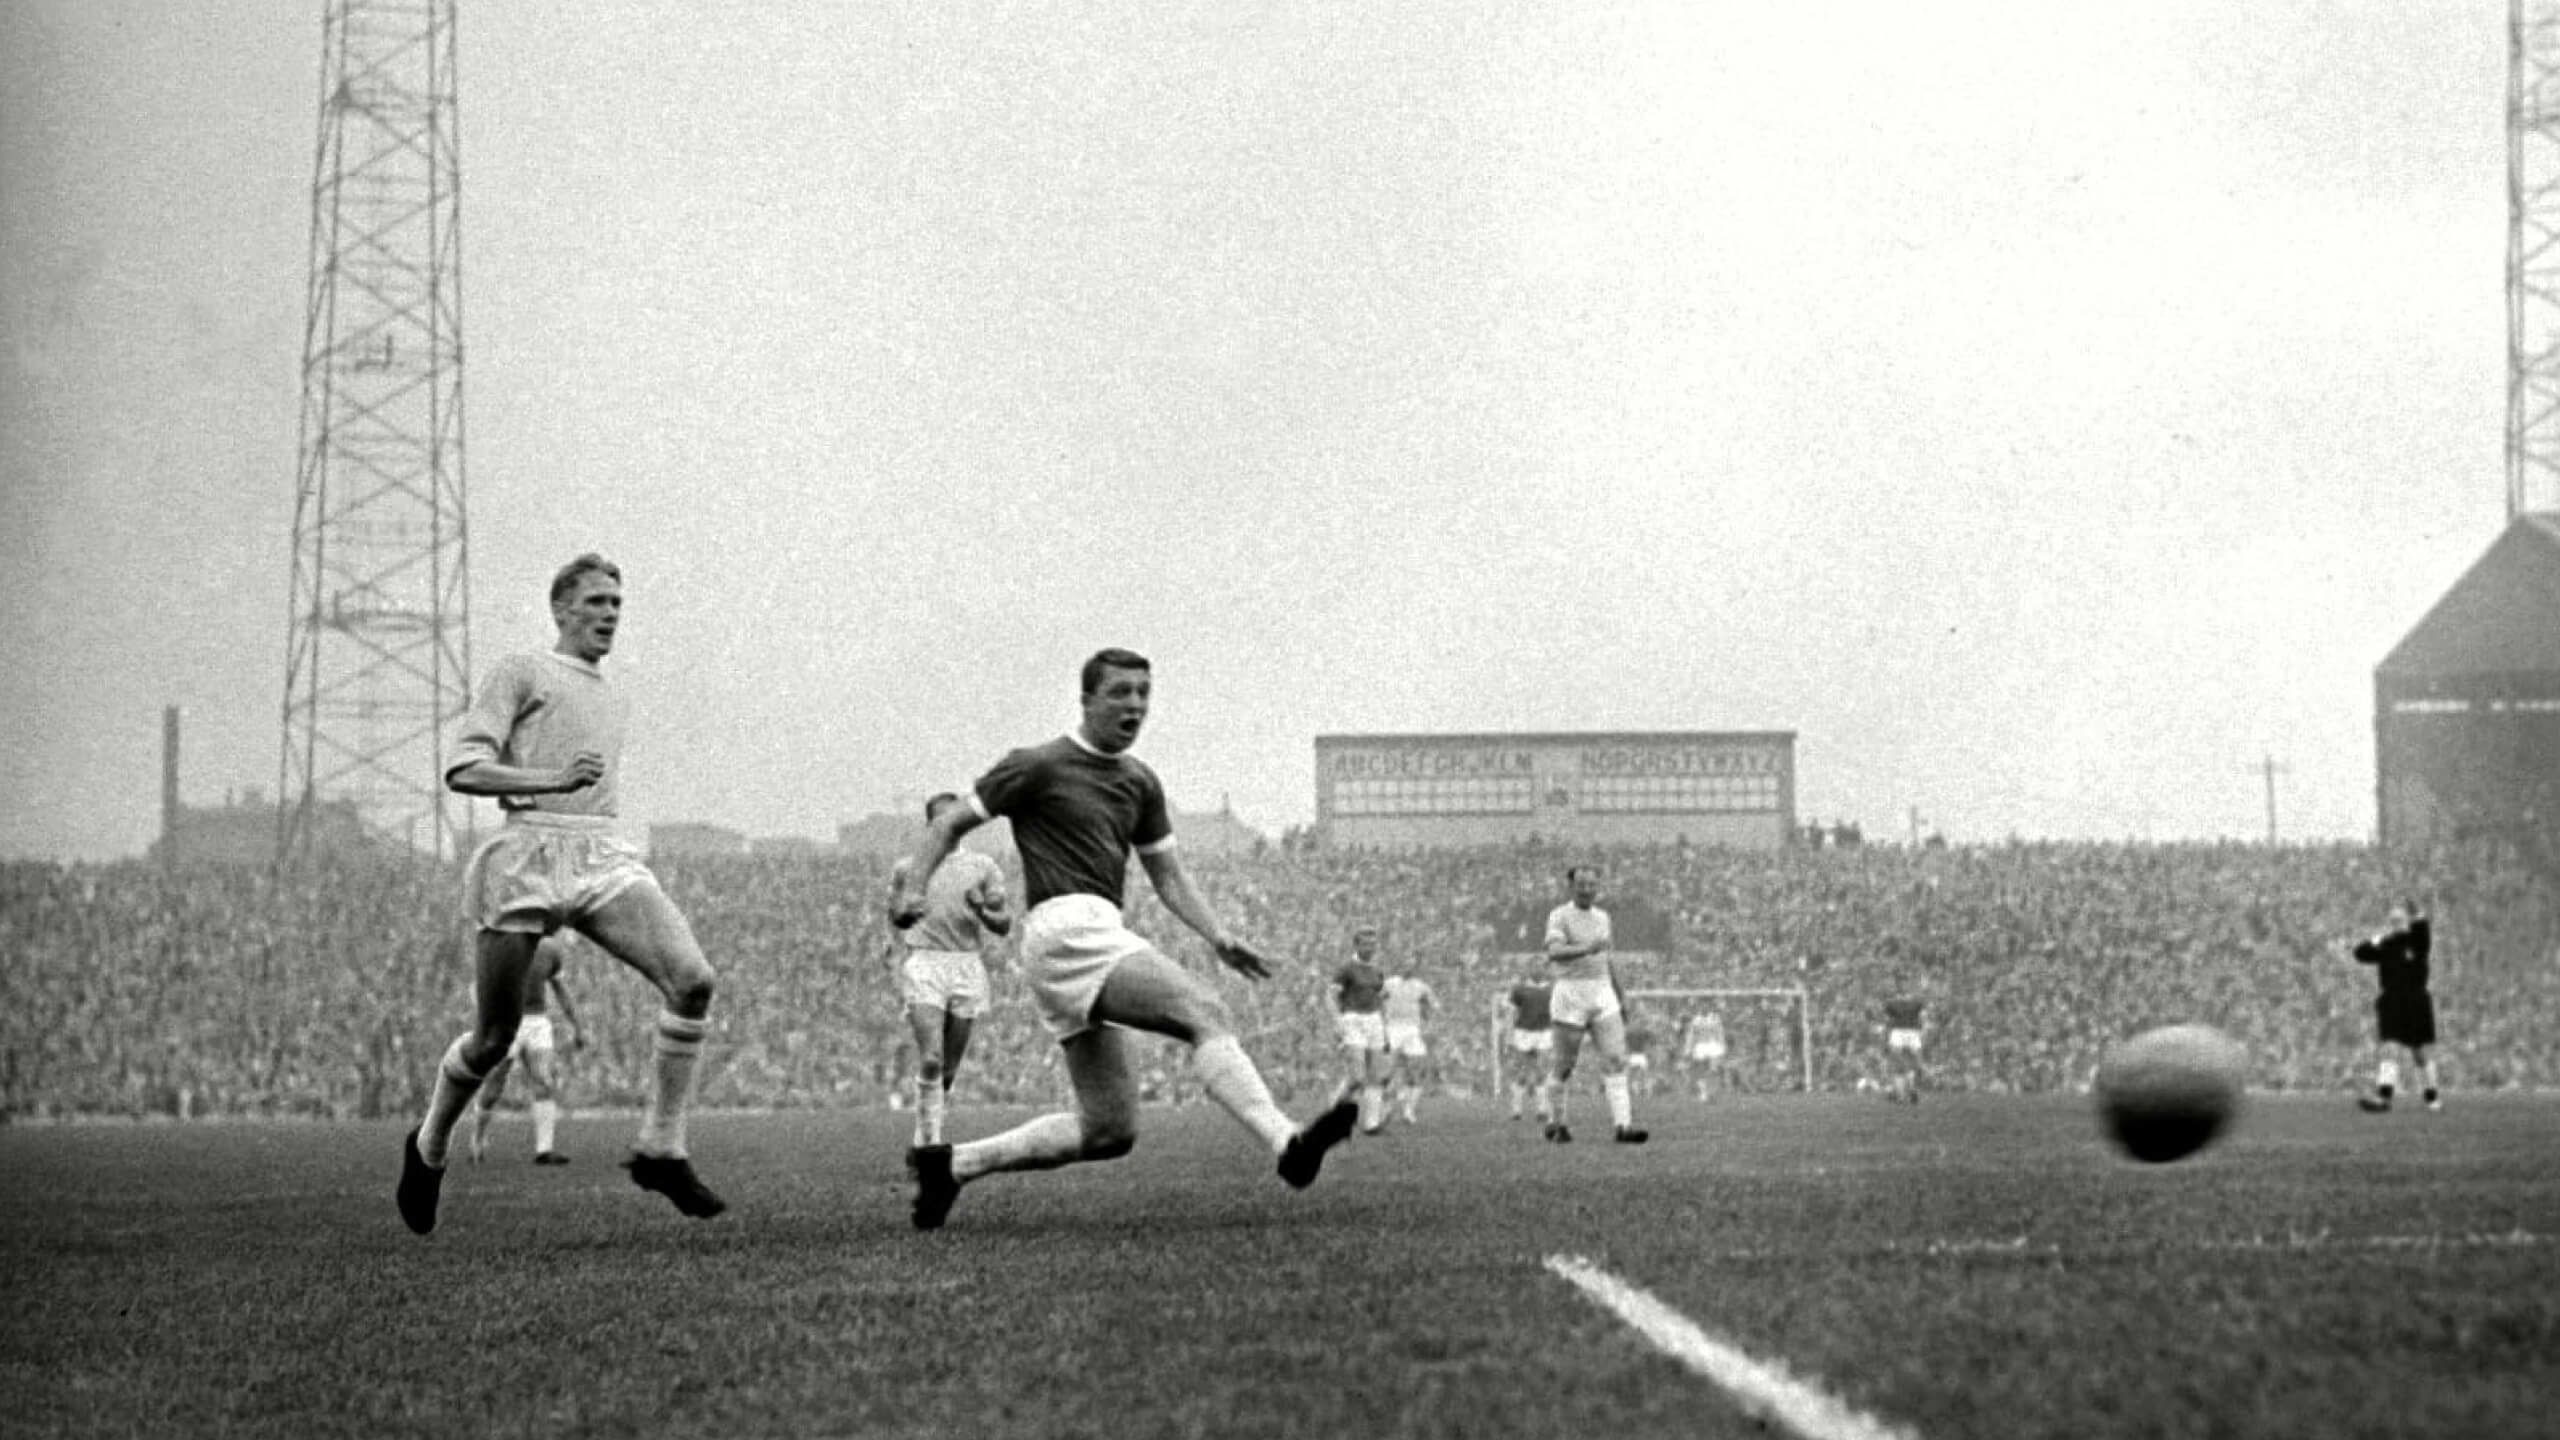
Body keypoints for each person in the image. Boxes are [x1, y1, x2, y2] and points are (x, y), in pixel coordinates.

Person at [888, 649, 1359, 1230]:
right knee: (1202, 1009)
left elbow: (1167, 874)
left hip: (1087, 933)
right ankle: (1287, 1144)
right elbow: (950, 822)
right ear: (1087, 700)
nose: (1135, 704)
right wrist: (913, 887)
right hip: (1066, 926)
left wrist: (1218, 935)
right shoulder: (1038, 765)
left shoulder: (1140, 782)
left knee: (1109, 1130)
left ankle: (949, 1166)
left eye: (1143, 693)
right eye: (1120, 692)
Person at [397, 553, 726, 1235]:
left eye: (617, 603)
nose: (610, 613)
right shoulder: (523, 671)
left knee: (693, 981)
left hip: (600, 851)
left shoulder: (613, 692)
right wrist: (548, 780)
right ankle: (428, 1148)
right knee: (494, 1038)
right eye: (597, 601)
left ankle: (662, 1147)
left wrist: (575, 797)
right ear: (561, 608)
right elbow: (462, 768)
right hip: (526, 852)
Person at [886, 793, 1013, 1151]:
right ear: (931, 826)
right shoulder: (909, 869)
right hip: (926, 961)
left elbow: (1004, 924)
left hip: (966, 964)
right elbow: (896, 914)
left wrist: (983, 911)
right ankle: (929, 1145)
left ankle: (924, 1133)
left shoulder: (982, 867)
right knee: (931, 1056)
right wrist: (905, 915)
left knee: (947, 1071)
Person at [1541, 865, 1648, 1145]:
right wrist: (1586, 949)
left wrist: (1621, 994)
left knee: (1616, 1058)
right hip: (1571, 994)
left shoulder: (1603, 917)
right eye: (1581, 884)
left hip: (1601, 991)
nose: (1587, 889)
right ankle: (1557, 1122)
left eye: (1592, 885)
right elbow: (1554, 952)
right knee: (1564, 1065)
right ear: (1571, 887)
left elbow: (1607, 958)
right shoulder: (1559, 915)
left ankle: (1623, 1127)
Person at [464, 932, 587, 1164]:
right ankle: (478, 1140)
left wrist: (577, 1026)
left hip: (537, 1023)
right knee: (495, 1083)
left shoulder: (549, 949)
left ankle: (544, 1150)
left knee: (544, 1080)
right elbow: (477, 987)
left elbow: (561, 990)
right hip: (505, 1022)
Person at [2352, 900, 2441, 1112]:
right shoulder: (2387, 944)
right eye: (2392, 920)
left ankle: (2432, 1097)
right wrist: (2377, 939)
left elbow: (2422, 924)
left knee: (2420, 1052)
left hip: (2416, 999)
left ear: (2407, 921)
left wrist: (2417, 911)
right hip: (2391, 1000)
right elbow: (2360, 953)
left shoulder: (2418, 941)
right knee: (2389, 1046)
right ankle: (2384, 1098)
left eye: (2399, 919)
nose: (2396, 923)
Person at [1330, 927, 1392, 1134]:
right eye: (1366, 944)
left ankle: (1371, 1123)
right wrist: (1337, 1021)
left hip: (1374, 1020)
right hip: (1353, 1019)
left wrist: (1385, 1028)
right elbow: (1330, 996)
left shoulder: (1377, 971)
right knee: (1357, 1077)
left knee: (1375, 1075)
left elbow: (1380, 999)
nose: (1370, 948)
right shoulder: (1347, 969)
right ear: (1356, 945)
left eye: (1373, 944)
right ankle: (1337, 1105)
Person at [1380, 970, 1436, 1126]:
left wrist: (1427, 1017)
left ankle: (1408, 1111)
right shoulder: (1389, 984)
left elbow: (1431, 1004)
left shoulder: (1421, 986)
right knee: (1386, 1071)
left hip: (1412, 1030)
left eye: (1412, 963)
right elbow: (1376, 1000)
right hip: (1393, 1029)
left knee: (1417, 1071)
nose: (1408, 968)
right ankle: (1386, 1109)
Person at [1504, 972, 1554, 1123]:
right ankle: (1516, 1110)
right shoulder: (1519, 990)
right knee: (1523, 1071)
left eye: (1540, 966)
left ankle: (1542, 1110)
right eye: (1534, 966)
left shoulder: (1551, 989)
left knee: (1541, 1070)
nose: (1537, 969)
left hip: (1544, 1032)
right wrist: (1509, 1034)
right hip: (1523, 1033)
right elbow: (1511, 1012)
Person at [1881, 995, 1926, 1104]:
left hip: (1902, 1032)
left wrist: (1886, 1036)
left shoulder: (1892, 1002)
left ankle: (1904, 1093)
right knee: (1910, 1065)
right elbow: (1923, 1019)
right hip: (1909, 1032)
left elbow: (1886, 1021)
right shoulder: (1916, 1001)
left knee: (1903, 1066)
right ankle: (1907, 1091)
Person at [1679, 1008, 1727, 1101]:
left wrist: (1722, 1045)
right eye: (1703, 1004)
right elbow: (1691, 1035)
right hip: (1700, 1046)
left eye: (1707, 1004)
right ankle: (1704, 1093)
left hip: (1713, 1045)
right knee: (1700, 1071)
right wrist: (1687, 1049)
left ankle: (1710, 1092)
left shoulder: (1715, 1018)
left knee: (1714, 1070)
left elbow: (1720, 1033)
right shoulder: (1696, 1020)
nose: (1704, 1007)